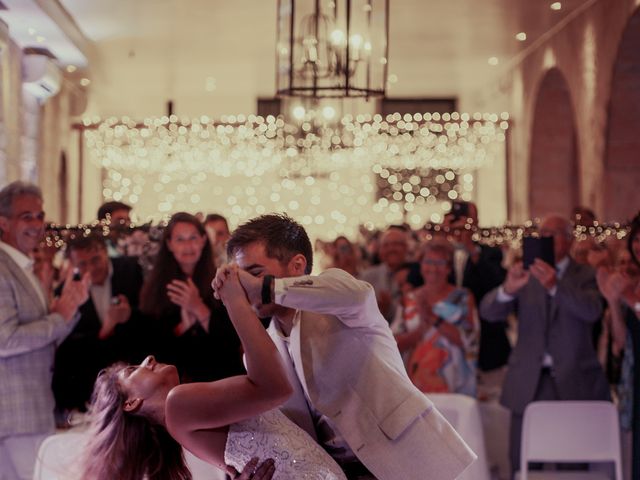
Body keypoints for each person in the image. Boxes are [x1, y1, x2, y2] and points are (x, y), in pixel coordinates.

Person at [223, 213, 476, 480]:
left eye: (255, 273)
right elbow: (285, 428)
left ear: (297, 265)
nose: (245, 287)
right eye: (240, 278)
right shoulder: (264, 348)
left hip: (400, 459)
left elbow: (354, 292)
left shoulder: (341, 300)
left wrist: (266, 288)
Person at [80, 265, 346, 480]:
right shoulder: (177, 404)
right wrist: (235, 301)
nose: (148, 359)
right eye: (132, 370)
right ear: (131, 402)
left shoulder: (183, 421)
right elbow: (276, 388)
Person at [480, 214, 610, 475]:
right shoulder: (524, 273)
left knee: (571, 463)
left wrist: (555, 286)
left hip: (573, 381)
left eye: (555, 233)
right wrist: (508, 290)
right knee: (523, 460)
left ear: (570, 239)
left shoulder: (586, 274)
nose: (547, 238)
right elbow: (488, 312)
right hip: (529, 380)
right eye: (543, 234)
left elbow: (591, 311)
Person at [0, 181, 90, 480]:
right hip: (14, 414)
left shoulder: (25, 269)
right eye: (27, 216)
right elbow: (5, 340)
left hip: (35, 409)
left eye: (40, 216)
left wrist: (71, 308)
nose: (37, 225)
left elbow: (44, 340)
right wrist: (59, 316)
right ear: (3, 222)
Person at [139, 212, 244, 382]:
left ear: (203, 240)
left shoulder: (222, 279)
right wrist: (183, 326)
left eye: (193, 238)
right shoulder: (155, 288)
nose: (188, 246)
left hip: (222, 378)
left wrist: (199, 309)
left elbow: (233, 342)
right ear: (169, 244)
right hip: (176, 385)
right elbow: (152, 352)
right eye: (180, 239)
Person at [52, 234, 146, 418]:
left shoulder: (132, 270)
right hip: (93, 383)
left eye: (95, 260)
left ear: (105, 252)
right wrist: (105, 330)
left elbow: (154, 318)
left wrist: (130, 315)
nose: (91, 268)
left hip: (135, 372)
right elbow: (70, 348)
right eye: (82, 264)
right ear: (72, 265)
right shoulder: (65, 292)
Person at [392, 241, 478, 396]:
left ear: (449, 268)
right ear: (421, 265)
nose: (433, 268)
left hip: (454, 384)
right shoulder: (408, 300)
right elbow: (392, 344)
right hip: (415, 386)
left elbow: (470, 341)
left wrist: (432, 317)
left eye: (439, 262)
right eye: (428, 261)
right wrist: (419, 331)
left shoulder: (462, 297)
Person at [442, 200, 510, 372]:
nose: (462, 225)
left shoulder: (489, 253)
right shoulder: (440, 254)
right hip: (447, 342)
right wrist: (442, 237)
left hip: (485, 341)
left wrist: (471, 249)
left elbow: (497, 284)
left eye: (468, 219)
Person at [359, 226, 411, 323]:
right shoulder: (368, 277)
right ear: (380, 251)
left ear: (406, 247)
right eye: (386, 245)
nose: (391, 249)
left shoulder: (419, 273)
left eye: (396, 244)